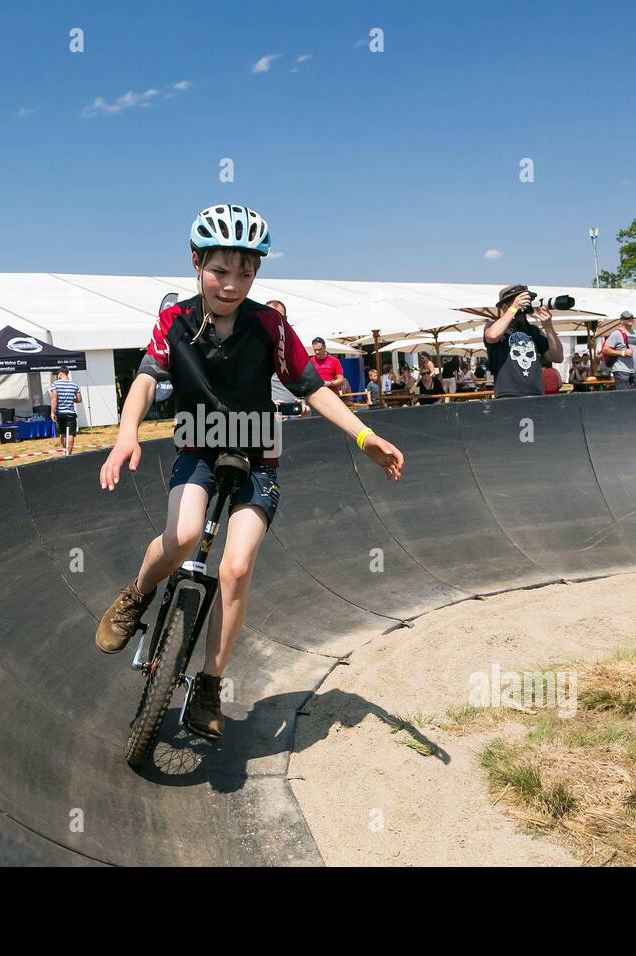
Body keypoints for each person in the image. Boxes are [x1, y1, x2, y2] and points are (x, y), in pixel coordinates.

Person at [94, 204, 404, 742]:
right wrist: (127, 433)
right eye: (220, 271)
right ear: (196, 262)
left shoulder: (270, 326)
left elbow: (313, 388)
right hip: (198, 448)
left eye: (246, 272)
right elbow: (145, 379)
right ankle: (137, 593)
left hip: (257, 458)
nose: (233, 285)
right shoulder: (175, 320)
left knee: (236, 568)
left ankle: (210, 685)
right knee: (183, 535)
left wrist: (364, 436)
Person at [483, 284, 565, 398]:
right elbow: (492, 336)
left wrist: (548, 327)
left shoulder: (533, 331)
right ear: (505, 306)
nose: (523, 307)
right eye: (520, 301)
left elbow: (557, 357)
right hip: (508, 395)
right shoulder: (493, 326)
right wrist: (514, 308)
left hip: (536, 394)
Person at [601, 311, 636, 391]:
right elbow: (605, 350)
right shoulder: (617, 333)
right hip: (621, 370)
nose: (630, 319)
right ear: (621, 321)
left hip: (634, 371)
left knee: (634, 398)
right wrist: (623, 353)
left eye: (631, 318)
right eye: (627, 318)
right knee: (624, 398)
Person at [49, 366, 81, 455]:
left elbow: (54, 399)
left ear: (61, 373)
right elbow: (79, 400)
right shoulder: (75, 385)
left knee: (62, 434)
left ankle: (64, 452)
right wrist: (71, 399)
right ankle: (69, 453)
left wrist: (52, 412)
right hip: (71, 413)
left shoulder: (55, 384)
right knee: (71, 434)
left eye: (58, 374)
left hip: (60, 413)